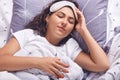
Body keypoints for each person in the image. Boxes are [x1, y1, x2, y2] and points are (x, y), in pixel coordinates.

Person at [0, 0, 109, 80]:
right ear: (47, 18)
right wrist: (38, 63)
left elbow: (102, 65)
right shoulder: (28, 35)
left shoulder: (69, 47)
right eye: (60, 16)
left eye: (71, 21)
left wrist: (83, 30)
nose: (65, 22)